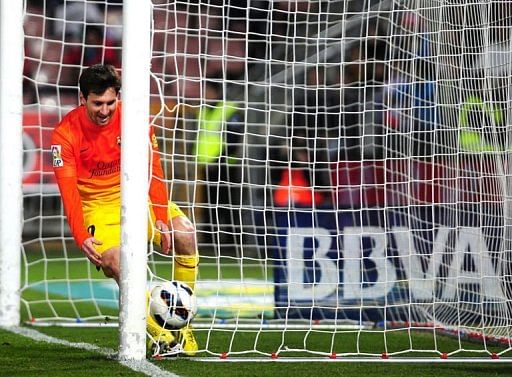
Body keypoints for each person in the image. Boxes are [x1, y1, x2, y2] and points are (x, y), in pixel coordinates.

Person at [50, 64, 199, 357]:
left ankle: (183, 327)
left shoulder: (134, 119)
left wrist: (160, 216)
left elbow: (153, 170)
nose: (104, 111)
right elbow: (69, 194)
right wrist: (81, 235)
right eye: (97, 104)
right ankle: (162, 334)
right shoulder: (64, 135)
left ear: (118, 97)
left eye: (110, 102)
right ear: (83, 99)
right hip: (97, 207)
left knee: (184, 233)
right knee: (117, 260)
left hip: (136, 196)